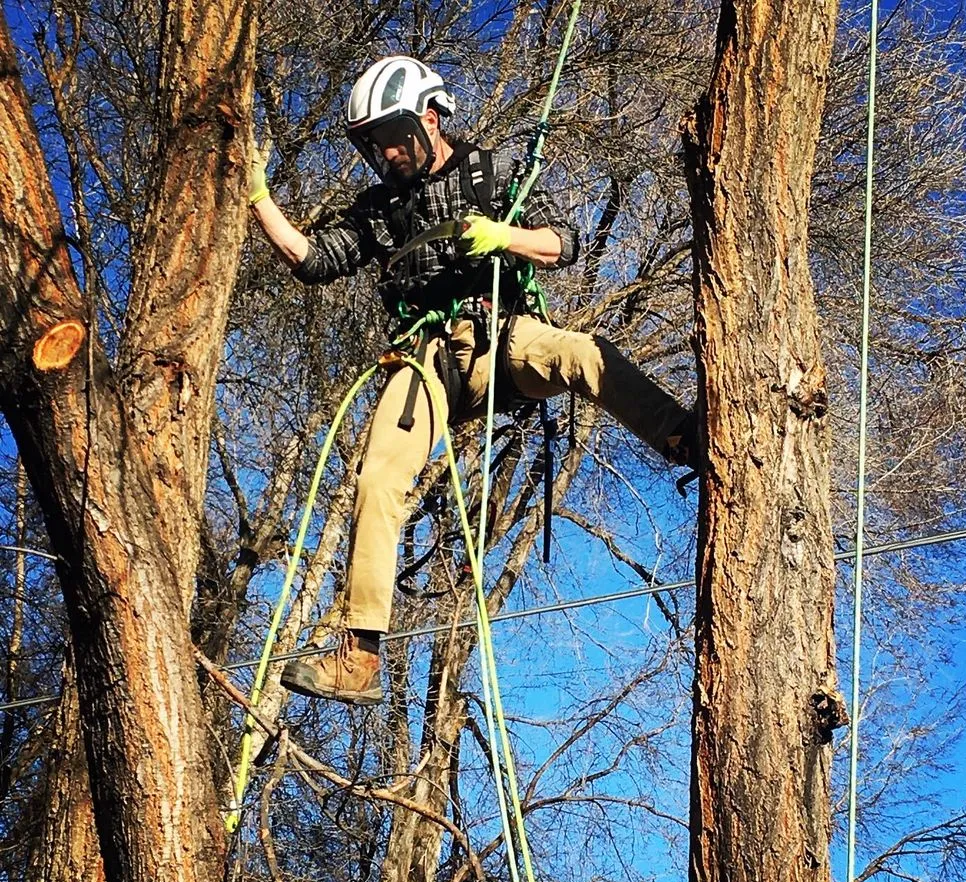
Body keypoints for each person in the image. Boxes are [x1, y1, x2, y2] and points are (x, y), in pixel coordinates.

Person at [249, 55, 696, 706]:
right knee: (377, 475)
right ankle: (359, 655)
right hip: (426, 358)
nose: (386, 154)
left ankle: (685, 438)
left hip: (500, 332)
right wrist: (258, 199)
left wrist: (504, 235)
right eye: (373, 144)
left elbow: (563, 241)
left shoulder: (497, 173)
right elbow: (313, 260)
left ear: (431, 118)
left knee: (581, 355)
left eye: (393, 137)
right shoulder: (379, 209)